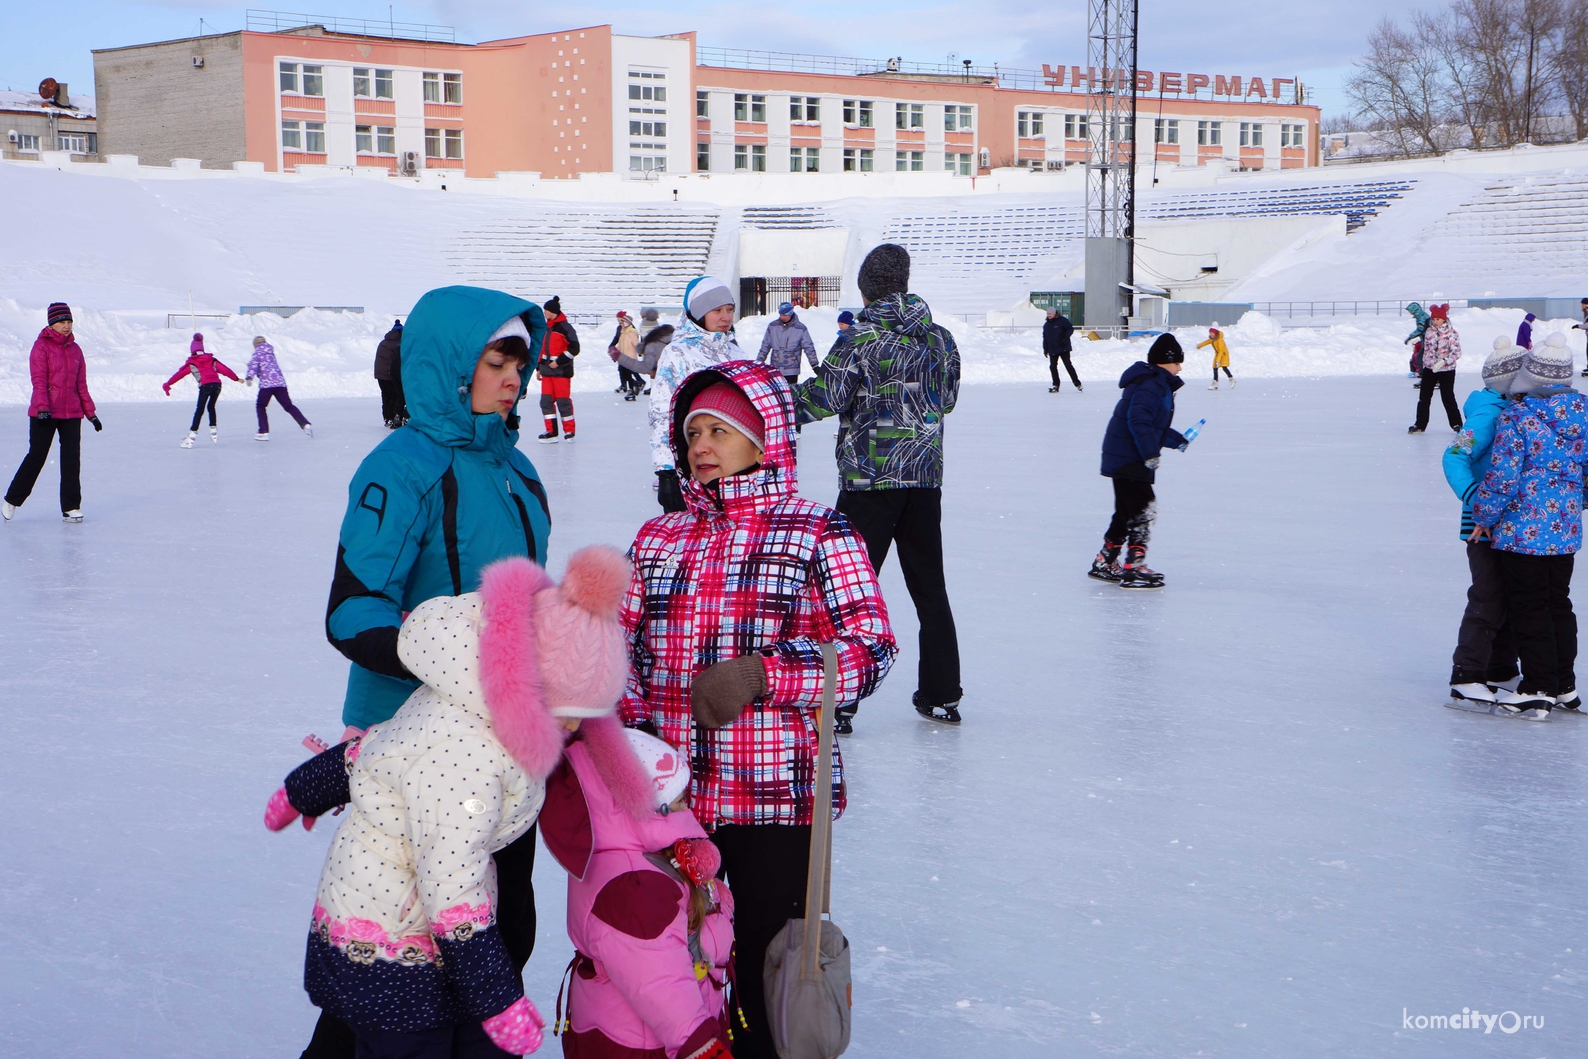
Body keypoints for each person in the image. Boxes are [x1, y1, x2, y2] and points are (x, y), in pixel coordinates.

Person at [621, 360, 896, 1059]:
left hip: (777, 805)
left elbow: (871, 647)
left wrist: (762, 674)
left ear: (765, 438)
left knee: (764, 977)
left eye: (719, 429)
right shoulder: (660, 539)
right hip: (674, 805)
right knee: (676, 972)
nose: (701, 445)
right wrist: (630, 739)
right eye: (691, 433)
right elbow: (615, 650)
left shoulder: (816, 532)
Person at [268, 546, 631, 1059]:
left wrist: (298, 792)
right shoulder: (468, 759)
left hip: (421, 933)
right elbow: (451, 886)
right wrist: (500, 1003)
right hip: (394, 948)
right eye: (568, 713)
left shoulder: (464, 697)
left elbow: (369, 753)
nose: (575, 729)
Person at [311, 285, 552, 1059]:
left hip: (503, 741)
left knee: (501, 924)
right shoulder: (400, 466)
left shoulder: (517, 470)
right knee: (403, 948)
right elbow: (351, 607)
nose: (514, 375)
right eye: (496, 359)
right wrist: (453, 665)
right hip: (414, 747)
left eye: (521, 358)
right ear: (452, 365)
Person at [795, 243, 962, 729]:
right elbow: (947, 400)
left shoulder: (859, 338)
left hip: (869, 481)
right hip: (924, 479)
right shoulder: (940, 339)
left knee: (846, 592)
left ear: (867, 289)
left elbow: (823, 397)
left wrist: (769, 408)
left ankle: (839, 702)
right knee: (930, 588)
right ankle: (942, 692)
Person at [538, 727, 735, 1059]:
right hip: (643, 1046)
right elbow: (659, 982)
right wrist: (702, 1048)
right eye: (678, 802)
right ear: (636, 807)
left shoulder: (645, 858)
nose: (688, 811)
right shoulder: (635, 889)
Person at [1471, 334, 1588, 718]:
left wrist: (1483, 517)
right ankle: (1564, 685)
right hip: (1565, 530)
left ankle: (1537, 686)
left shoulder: (1518, 418)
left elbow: (1503, 478)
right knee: (1558, 603)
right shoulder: (1584, 414)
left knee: (1529, 606)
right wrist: (1573, 506)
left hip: (1522, 532)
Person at [1442, 337, 1525, 705]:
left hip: (1505, 521)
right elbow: (1454, 456)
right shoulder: (1488, 413)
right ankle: (1468, 673)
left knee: (1507, 595)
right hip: (1481, 523)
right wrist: (1474, 497)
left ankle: (1501, 669)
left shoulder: (1507, 409)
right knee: (1489, 596)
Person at [1088, 333, 1188, 590]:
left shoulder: (1153, 382)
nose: (1180, 367)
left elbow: (1151, 425)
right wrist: (1149, 454)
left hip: (1124, 453)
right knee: (1144, 508)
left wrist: (1176, 440)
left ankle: (1105, 561)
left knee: (1127, 511)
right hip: (1130, 456)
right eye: (1177, 361)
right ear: (1165, 361)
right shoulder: (1152, 384)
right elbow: (1139, 421)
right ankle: (1134, 566)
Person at [648, 276, 742, 513]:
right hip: (693, 463)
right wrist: (666, 471)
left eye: (729, 309)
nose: (726, 317)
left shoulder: (735, 351)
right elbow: (661, 413)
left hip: (733, 463)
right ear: (699, 314)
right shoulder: (678, 353)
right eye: (717, 310)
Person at [4, 302, 101, 524]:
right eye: (61, 322)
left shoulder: (76, 350)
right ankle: (12, 499)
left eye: (69, 322)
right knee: (36, 457)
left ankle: (71, 506)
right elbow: (38, 381)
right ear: (52, 324)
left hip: (72, 412)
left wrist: (91, 413)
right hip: (44, 412)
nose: (66, 326)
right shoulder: (41, 347)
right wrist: (43, 408)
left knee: (71, 460)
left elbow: (81, 385)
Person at [164, 333, 241, 447]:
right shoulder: (211, 360)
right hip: (217, 385)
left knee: (199, 410)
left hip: (205, 386)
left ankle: (191, 436)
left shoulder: (192, 363)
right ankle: (213, 430)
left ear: (192, 350)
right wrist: (236, 378)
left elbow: (179, 374)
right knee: (211, 407)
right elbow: (225, 369)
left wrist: (168, 384)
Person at [246, 335, 313, 440]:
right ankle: (304, 423)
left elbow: (253, 366)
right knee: (288, 406)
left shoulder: (257, 353)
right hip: (280, 384)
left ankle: (263, 431)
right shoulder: (271, 353)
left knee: (260, 406)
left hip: (267, 385)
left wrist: (249, 377)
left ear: (255, 345)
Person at [1409, 304, 1463, 434]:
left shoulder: (1451, 333)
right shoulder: (1429, 332)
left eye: (1438, 319)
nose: (1435, 322)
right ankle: (1420, 424)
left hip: (1447, 370)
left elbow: (1457, 353)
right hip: (1430, 369)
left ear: (1444, 319)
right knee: (1424, 397)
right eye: (1433, 319)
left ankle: (1457, 424)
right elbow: (1426, 350)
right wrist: (1428, 363)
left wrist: (1444, 361)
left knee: (1448, 397)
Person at [537, 296, 581, 443]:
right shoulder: (546, 328)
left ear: (554, 312)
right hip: (546, 372)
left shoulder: (566, 328)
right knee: (546, 402)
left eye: (547, 310)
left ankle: (569, 432)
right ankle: (551, 432)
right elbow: (542, 350)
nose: (545, 313)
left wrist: (559, 361)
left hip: (561, 372)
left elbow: (574, 348)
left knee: (563, 402)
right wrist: (538, 368)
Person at [755, 300, 818, 387]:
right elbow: (765, 346)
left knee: (790, 395)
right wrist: (758, 363)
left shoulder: (800, 329)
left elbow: (808, 347)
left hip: (791, 370)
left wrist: (814, 364)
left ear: (790, 314)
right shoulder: (773, 326)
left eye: (784, 315)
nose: (782, 317)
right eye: (780, 314)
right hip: (775, 369)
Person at [619, 309, 669, 404]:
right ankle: (653, 387)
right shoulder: (657, 325)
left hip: (646, 351)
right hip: (656, 351)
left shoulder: (642, 326)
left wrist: (641, 349)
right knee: (655, 370)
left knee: (650, 370)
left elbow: (643, 339)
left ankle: (645, 386)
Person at [374, 319, 407, 428]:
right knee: (395, 395)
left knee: (385, 394)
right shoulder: (398, 344)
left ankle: (387, 417)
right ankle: (394, 416)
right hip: (389, 374)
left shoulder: (383, 342)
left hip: (380, 374)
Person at [1042, 307, 1081, 393]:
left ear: (1055, 313)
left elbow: (1070, 328)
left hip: (1063, 347)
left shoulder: (1062, 320)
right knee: (1052, 367)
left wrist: (1065, 337)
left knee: (1068, 365)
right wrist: (1045, 349)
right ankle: (1056, 385)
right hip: (1052, 349)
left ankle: (1077, 383)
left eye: (1050, 314)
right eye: (1048, 314)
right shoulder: (1046, 325)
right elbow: (1045, 338)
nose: (1049, 315)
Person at [610, 310, 643, 399]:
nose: (621, 324)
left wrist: (641, 352)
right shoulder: (622, 333)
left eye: (622, 322)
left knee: (627, 374)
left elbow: (637, 344)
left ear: (627, 323)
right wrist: (615, 353)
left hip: (630, 357)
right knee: (624, 374)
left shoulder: (632, 333)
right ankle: (636, 384)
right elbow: (620, 345)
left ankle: (631, 391)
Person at [1197, 323, 1235, 390]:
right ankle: (1215, 382)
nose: (1211, 334)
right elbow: (1207, 342)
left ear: (1215, 333)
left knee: (1224, 367)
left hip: (1223, 354)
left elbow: (1221, 350)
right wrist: (1199, 345)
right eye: (1210, 333)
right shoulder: (1213, 339)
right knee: (1215, 368)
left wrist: (1218, 360)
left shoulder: (1220, 340)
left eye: (1212, 333)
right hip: (1218, 354)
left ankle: (1231, 379)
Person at [1405, 301, 1430, 386]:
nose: (1410, 313)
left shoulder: (1421, 317)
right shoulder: (1422, 315)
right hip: (1427, 341)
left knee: (1420, 359)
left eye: (1411, 311)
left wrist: (1409, 337)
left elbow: (1420, 329)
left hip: (1428, 342)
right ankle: (1430, 379)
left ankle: (1425, 380)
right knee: (1423, 359)